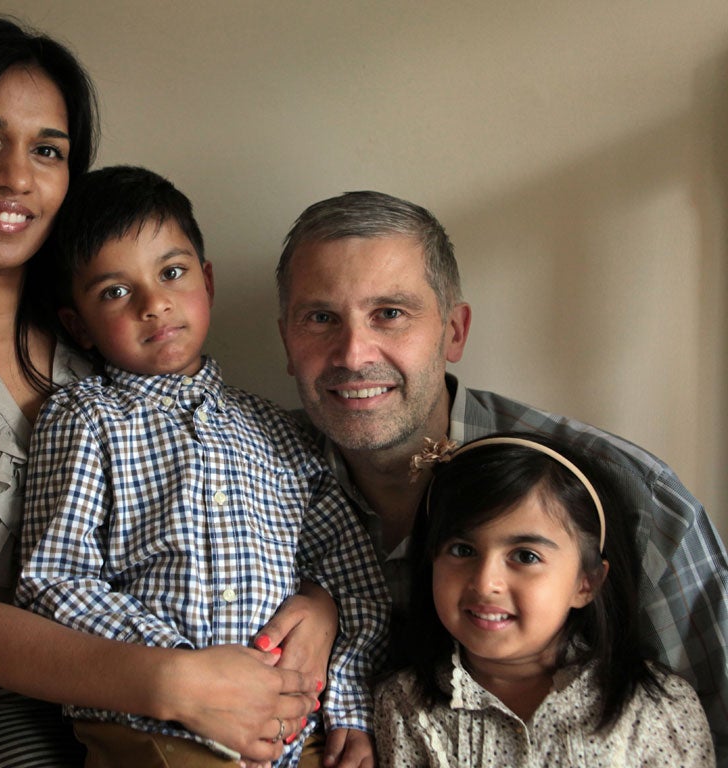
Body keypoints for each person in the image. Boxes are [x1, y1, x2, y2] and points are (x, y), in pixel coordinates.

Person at [0, 17, 328, 768]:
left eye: (48, 150)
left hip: (162, 704)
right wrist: (171, 682)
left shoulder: (111, 334)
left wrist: (318, 604)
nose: (17, 177)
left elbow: (232, 517)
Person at [274, 190, 728, 765]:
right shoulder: (230, 476)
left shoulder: (633, 500)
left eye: (390, 313)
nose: (353, 352)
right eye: (320, 318)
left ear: (454, 332)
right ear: (286, 340)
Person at [15, 165, 389, 768]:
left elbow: (351, 578)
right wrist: (185, 669)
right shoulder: (85, 419)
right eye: (115, 291)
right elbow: (54, 582)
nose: (153, 303)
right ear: (77, 325)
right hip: (157, 721)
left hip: (296, 719)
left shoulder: (281, 432)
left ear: (206, 281)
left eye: (171, 272)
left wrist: (345, 703)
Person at [374, 432, 714, 765]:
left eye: (525, 557)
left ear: (586, 583)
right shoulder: (405, 704)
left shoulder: (658, 710)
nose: (485, 582)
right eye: (463, 550)